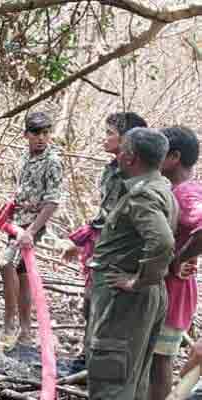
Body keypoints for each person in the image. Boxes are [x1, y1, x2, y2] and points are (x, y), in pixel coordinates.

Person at [86, 128, 179, 400]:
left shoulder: (144, 195)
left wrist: (138, 280)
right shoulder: (160, 187)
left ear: (130, 158)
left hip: (125, 300)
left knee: (111, 382)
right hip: (140, 295)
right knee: (133, 380)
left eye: (123, 150)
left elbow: (162, 242)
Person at [62, 112, 148, 369]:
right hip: (102, 248)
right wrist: (80, 239)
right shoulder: (111, 170)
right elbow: (104, 214)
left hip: (121, 255)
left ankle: (97, 364)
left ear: (127, 140)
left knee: (105, 308)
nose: (105, 138)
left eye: (110, 133)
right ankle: (86, 357)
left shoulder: (136, 178)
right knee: (90, 302)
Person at [0, 111, 63, 352]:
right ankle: (24, 332)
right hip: (16, 221)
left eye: (46, 133)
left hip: (32, 225)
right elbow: (22, 189)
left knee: (6, 263)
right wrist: (8, 207)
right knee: (22, 275)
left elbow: (52, 201)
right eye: (36, 133)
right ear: (26, 135)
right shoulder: (24, 157)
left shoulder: (53, 161)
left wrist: (31, 231)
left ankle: (9, 325)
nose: (41, 138)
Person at [149, 126, 202, 400]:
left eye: (160, 152)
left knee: (159, 362)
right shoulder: (175, 190)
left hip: (174, 292)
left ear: (174, 157)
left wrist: (180, 258)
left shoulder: (187, 193)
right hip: (167, 288)